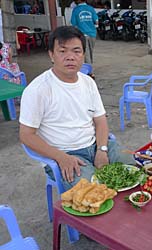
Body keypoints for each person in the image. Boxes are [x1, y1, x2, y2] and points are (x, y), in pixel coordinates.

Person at [19, 26, 120, 191]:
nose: (70, 57)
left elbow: (100, 120)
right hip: (65, 154)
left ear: (83, 56)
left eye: (76, 51)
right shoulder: (38, 89)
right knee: (94, 192)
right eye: (62, 51)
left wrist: (102, 150)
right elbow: (26, 135)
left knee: (134, 170)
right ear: (52, 55)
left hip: (95, 145)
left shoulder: (88, 83)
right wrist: (61, 157)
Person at [71, 0, 98, 70]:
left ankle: (89, 70)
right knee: (90, 51)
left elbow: (73, 23)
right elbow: (96, 21)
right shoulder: (91, 8)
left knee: (86, 53)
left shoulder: (76, 10)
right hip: (92, 33)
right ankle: (89, 68)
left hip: (82, 34)